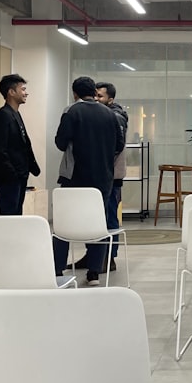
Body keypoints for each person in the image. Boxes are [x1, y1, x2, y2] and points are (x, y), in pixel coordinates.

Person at [53, 76, 124, 286]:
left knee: (64, 223)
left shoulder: (71, 111)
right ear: (93, 92)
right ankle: (94, 272)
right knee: (98, 223)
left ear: (75, 93)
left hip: (75, 177)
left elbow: (60, 142)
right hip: (103, 178)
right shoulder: (110, 114)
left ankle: (58, 269)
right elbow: (119, 145)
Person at [71, 81, 128, 270]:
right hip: (99, 174)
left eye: (100, 96)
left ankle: (108, 257)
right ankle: (94, 256)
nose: (96, 99)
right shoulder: (99, 114)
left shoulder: (115, 117)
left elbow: (115, 147)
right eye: (95, 95)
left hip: (110, 175)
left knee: (109, 216)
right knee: (95, 217)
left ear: (110, 99)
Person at [0, 74, 40, 216]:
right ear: (11, 92)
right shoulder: (2, 116)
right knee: (9, 213)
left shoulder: (15, 114)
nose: (26, 93)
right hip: (9, 178)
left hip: (19, 176)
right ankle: (7, 238)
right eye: (22, 89)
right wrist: (13, 174)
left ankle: (15, 238)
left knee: (17, 212)